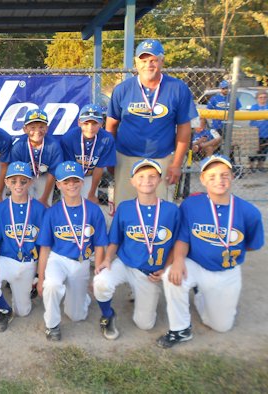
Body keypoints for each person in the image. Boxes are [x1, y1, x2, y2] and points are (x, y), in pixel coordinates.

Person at [157, 154, 264, 348]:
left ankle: (201, 295)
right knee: (171, 276)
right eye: (212, 176)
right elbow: (183, 237)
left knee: (221, 326)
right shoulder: (191, 204)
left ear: (232, 177)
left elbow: (251, 244)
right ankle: (180, 329)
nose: (219, 180)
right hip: (196, 264)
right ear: (203, 179)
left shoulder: (249, 211)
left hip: (226, 271)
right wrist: (178, 260)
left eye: (224, 175)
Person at [93, 159, 179, 341]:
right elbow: (115, 239)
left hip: (150, 273)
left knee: (145, 324)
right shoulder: (125, 208)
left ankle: (143, 295)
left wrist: (165, 268)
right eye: (140, 176)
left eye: (152, 176)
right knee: (101, 281)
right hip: (125, 264)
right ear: (132, 181)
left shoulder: (171, 210)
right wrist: (107, 258)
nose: (146, 180)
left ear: (159, 180)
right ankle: (107, 315)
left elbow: (177, 244)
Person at [106, 39, 198, 206]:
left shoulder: (177, 88)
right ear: (136, 62)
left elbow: (184, 129)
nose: (148, 65)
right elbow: (111, 126)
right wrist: (111, 158)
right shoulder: (123, 89)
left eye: (153, 60)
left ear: (162, 61)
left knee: (159, 210)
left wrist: (177, 163)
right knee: (125, 207)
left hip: (161, 158)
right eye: (143, 60)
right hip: (126, 157)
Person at [36, 161, 108, 341]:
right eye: (66, 182)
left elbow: (100, 245)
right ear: (58, 185)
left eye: (75, 180)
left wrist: (97, 275)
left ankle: (80, 297)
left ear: (82, 182)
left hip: (82, 262)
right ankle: (51, 325)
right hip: (58, 259)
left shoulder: (93, 211)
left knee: (76, 316)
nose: (71, 185)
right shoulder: (52, 212)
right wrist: (41, 278)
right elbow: (45, 248)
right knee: (51, 285)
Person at [0, 161, 47, 332]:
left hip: (29, 262)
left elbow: (45, 246)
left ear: (30, 182)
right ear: (7, 182)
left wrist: (40, 274)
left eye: (23, 181)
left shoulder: (40, 209)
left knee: (23, 312)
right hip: (6, 259)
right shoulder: (0, 209)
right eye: (14, 181)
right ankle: (5, 309)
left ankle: (22, 295)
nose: (18, 185)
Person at [61, 104, 116, 204]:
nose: (90, 128)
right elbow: (70, 167)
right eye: (86, 123)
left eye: (94, 123)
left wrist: (91, 193)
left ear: (101, 124)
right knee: (70, 203)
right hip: (71, 175)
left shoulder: (107, 139)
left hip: (91, 176)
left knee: (88, 204)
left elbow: (99, 168)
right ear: (79, 123)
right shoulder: (69, 138)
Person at [10, 108, 63, 207]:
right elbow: (15, 173)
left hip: (44, 177)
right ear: (25, 129)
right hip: (24, 178)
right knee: (24, 204)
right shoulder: (19, 146)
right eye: (32, 127)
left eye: (41, 127)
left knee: (44, 206)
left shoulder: (53, 146)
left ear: (46, 128)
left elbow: (52, 174)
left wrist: (44, 198)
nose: (37, 131)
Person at [249, 90, 268, 172]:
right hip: (255, 133)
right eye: (260, 97)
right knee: (254, 150)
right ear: (257, 98)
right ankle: (252, 166)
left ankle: (260, 166)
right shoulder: (254, 107)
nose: (262, 99)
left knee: (264, 150)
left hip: (266, 132)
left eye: (264, 97)